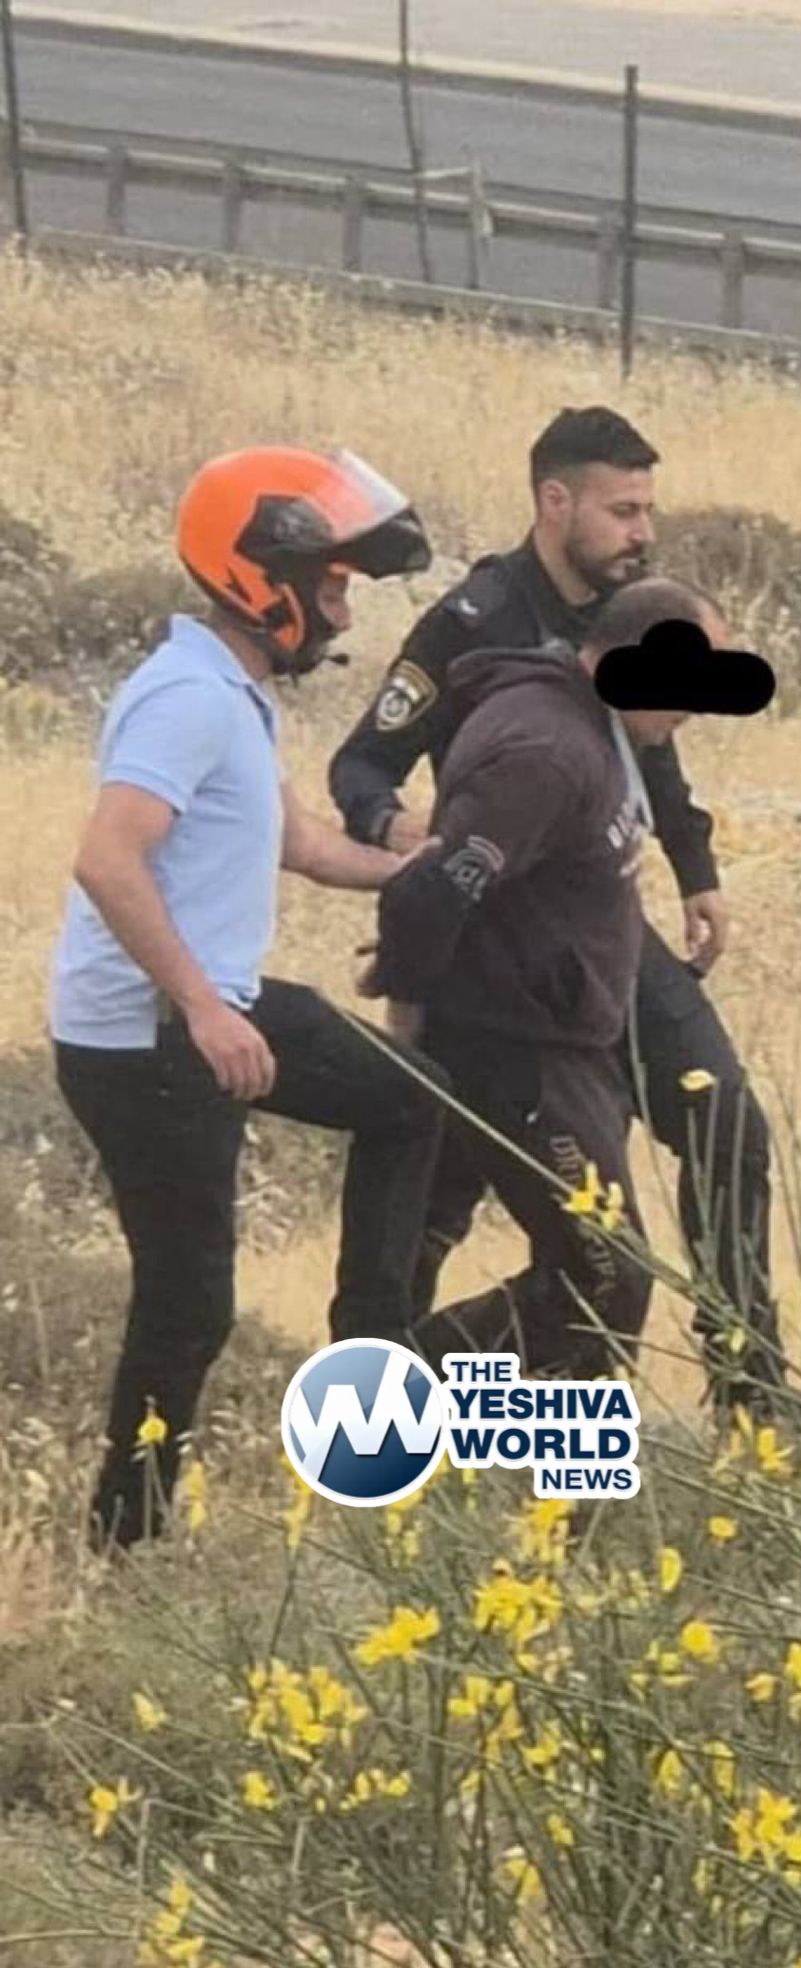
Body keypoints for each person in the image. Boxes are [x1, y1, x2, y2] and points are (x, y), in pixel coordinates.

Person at [330, 406, 787, 1417]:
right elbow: (362, 761)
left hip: (602, 926)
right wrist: (403, 834)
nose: (641, 532)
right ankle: (382, 1404)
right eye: (623, 511)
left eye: (647, 511)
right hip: (497, 944)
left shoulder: (635, 615)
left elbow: (650, 747)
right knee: (447, 1187)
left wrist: (696, 867)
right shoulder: (472, 622)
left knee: (724, 1123)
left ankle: (749, 1395)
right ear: (554, 500)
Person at [50, 445, 449, 1550]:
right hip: (146, 1037)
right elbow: (108, 860)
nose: (343, 607)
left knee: (412, 1096)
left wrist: (413, 865)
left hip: (201, 1005)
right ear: (260, 576)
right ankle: (123, 1541)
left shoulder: (234, 692)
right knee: (189, 1302)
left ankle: (370, 1351)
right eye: (332, 582)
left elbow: (302, 842)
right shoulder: (186, 699)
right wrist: (205, 1010)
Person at [367, 578, 723, 1377]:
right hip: (517, 1052)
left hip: (565, 1044)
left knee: (596, 1282)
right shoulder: (547, 753)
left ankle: (519, 1447)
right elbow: (432, 886)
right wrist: (406, 1014)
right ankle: (382, 1404)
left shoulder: (596, 727)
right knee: (606, 1279)